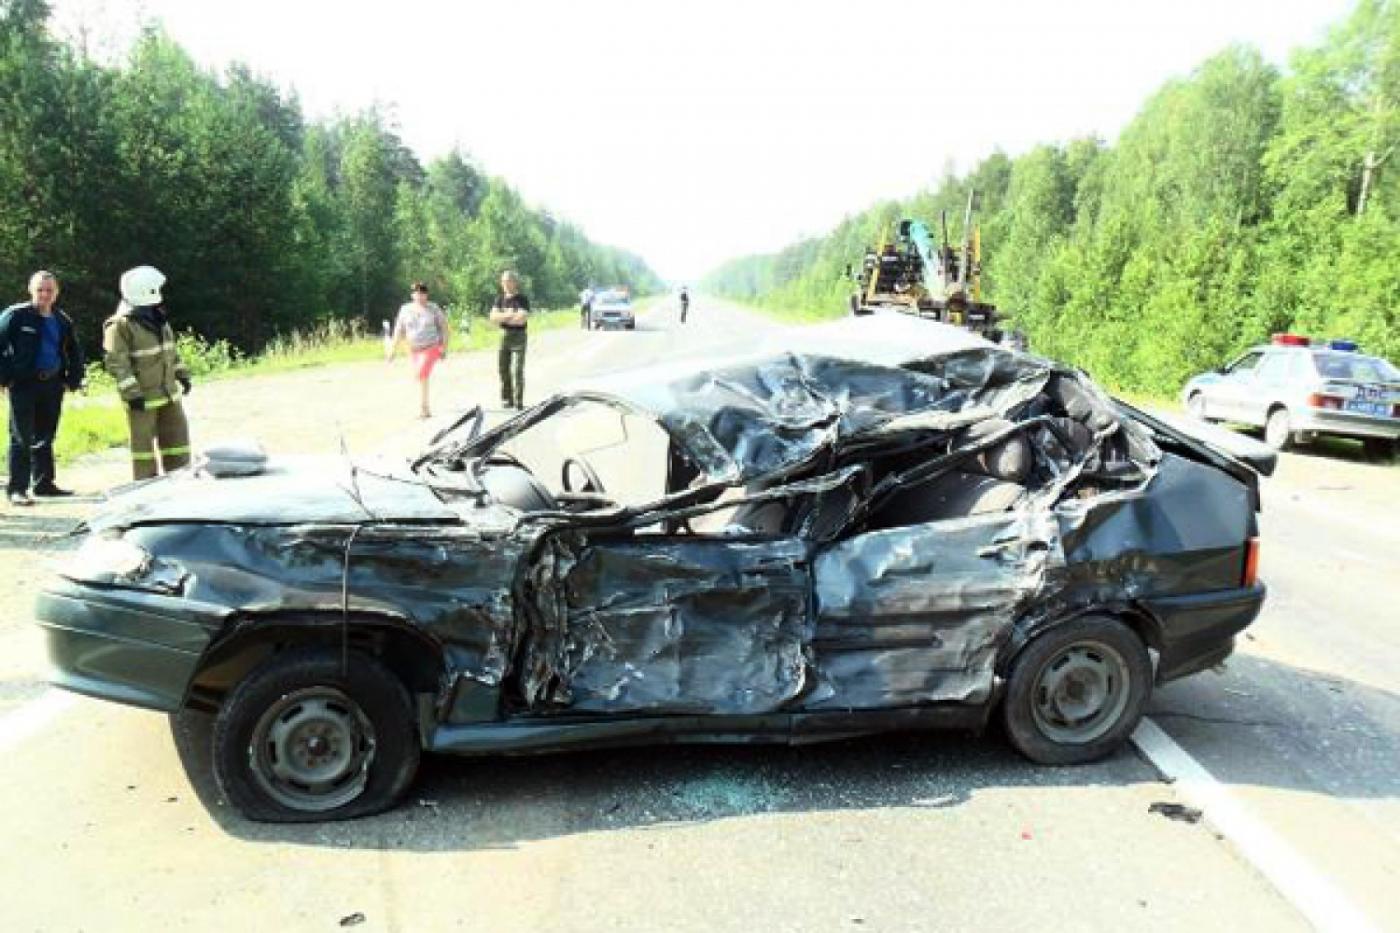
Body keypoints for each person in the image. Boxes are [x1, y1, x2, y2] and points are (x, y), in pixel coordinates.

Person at [0, 271, 85, 505]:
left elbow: (73, 351)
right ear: (31, 290)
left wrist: (73, 379)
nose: (44, 295)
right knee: (21, 437)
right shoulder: (16, 316)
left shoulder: (62, 320)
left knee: (46, 436)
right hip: (23, 385)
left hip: (52, 384)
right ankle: (17, 489)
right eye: (40, 290)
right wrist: (5, 378)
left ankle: (44, 484)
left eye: (49, 290)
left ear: (56, 292)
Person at [103, 265, 193, 480]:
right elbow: (117, 364)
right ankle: (145, 491)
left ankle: (181, 483)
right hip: (142, 399)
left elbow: (169, 351)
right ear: (145, 291)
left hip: (169, 394)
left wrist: (182, 375)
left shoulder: (157, 317)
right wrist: (132, 395)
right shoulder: (119, 326)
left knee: (177, 444)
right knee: (143, 451)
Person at [386, 282, 450, 419]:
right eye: (417, 293)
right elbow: (398, 330)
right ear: (412, 295)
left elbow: (444, 328)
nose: (420, 295)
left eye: (423, 293)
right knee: (420, 376)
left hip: (431, 346)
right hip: (413, 349)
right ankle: (423, 404)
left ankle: (424, 408)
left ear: (427, 294)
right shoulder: (405, 309)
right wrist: (392, 350)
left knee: (422, 373)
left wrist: (444, 347)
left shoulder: (433, 308)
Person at [489, 270, 529, 409]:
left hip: (519, 337)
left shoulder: (522, 299)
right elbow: (492, 318)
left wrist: (503, 316)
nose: (504, 284)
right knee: (503, 368)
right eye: (502, 281)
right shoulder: (499, 299)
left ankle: (518, 401)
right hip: (504, 335)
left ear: (514, 282)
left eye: (507, 281)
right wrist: (510, 315)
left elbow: (521, 319)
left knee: (517, 370)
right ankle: (507, 399)